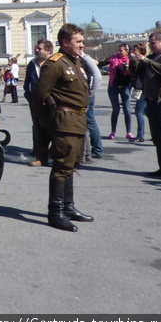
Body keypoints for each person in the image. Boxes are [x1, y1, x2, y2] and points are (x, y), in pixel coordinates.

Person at [31, 23, 93, 232]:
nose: (82, 45)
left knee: (71, 165)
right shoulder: (55, 64)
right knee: (61, 167)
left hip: (78, 120)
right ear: (65, 42)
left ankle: (69, 207)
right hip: (64, 120)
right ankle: (55, 212)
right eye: (78, 42)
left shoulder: (75, 62)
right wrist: (43, 121)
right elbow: (39, 95)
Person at [129, 31, 161, 179]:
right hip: (151, 100)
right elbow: (135, 72)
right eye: (150, 42)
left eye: (153, 42)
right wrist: (134, 61)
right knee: (158, 137)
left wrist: (147, 62)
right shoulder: (151, 57)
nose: (151, 45)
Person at [23, 39, 53, 167]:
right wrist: (29, 97)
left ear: (48, 51)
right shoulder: (32, 64)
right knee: (38, 128)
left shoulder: (54, 63)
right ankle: (40, 156)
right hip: (35, 101)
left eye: (39, 48)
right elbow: (27, 83)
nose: (36, 50)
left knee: (54, 127)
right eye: (36, 48)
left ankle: (55, 154)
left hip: (52, 101)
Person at [99, 43, 134, 141]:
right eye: (118, 50)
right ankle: (113, 131)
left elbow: (135, 73)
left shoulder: (131, 60)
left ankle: (129, 132)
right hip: (113, 87)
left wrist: (128, 67)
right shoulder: (113, 59)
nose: (119, 52)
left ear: (127, 51)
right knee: (116, 110)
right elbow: (101, 63)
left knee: (127, 109)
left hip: (125, 87)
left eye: (121, 50)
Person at [81, 52, 103, 162]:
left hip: (86, 95)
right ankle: (89, 151)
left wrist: (90, 94)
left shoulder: (85, 58)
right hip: (85, 94)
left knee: (89, 121)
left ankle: (96, 149)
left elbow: (97, 77)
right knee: (88, 122)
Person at [130, 43, 149, 143]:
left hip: (143, 89)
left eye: (135, 51)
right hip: (142, 88)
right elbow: (132, 72)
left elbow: (136, 71)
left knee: (139, 112)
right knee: (149, 113)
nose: (132, 53)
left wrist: (134, 60)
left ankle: (140, 135)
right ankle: (156, 134)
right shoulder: (136, 61)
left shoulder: (143, 61)